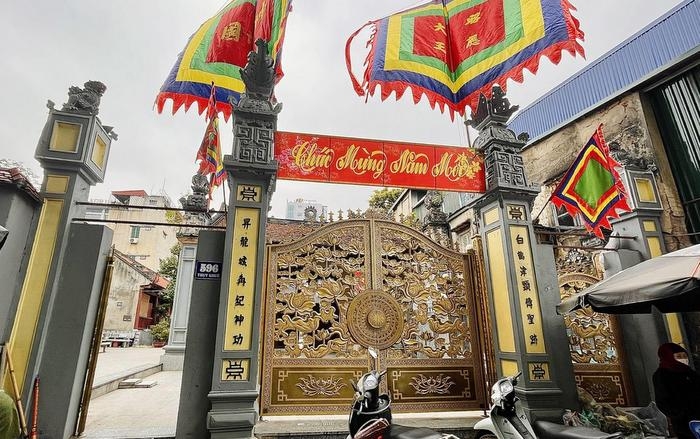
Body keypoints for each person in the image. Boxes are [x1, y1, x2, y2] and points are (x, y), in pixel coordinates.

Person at [652, 343, 700, 439]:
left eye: (684, 356)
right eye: (678, 356)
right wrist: (681, 413)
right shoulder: (662, 375)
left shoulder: (690, 372)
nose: (683, 359)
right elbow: (663, 401)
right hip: (684, 423)